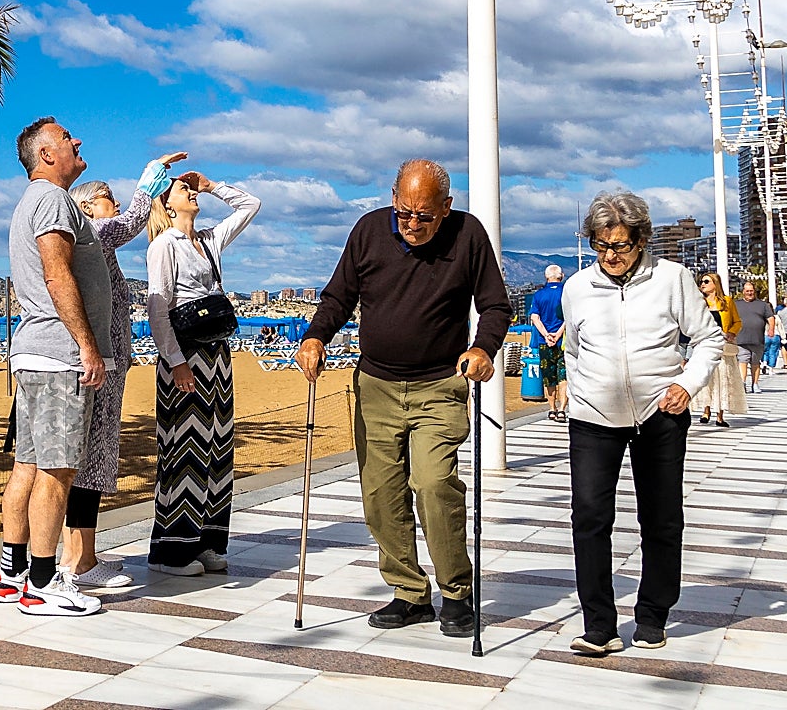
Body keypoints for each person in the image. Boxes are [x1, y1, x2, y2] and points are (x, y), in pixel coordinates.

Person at [295, 159, 511, 638]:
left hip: (439, 385)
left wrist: (483, 347)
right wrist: (315, 337)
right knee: (380, 495)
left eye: (425, 217)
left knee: (434, 485)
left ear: (447, 209)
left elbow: (495, 305)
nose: (412, 225)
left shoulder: (468, 234)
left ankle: (456, 591)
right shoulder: (370, 230)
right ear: (393, 198)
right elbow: (338, 296)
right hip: (375, 385)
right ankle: (409, 594)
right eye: (404, 213)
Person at [562, 191, 722, 656]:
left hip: (661, 415)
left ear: (642, 240)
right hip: (593, 418)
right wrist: (581, 389)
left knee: (662, 517)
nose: (610, 255)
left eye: (620, 245)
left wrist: (687, 385)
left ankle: (652, 615)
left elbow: (708, 339)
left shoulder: (672, 279)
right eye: (600, 245)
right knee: (589, 517)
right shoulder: (577, 288)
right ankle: (599, 626)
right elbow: (574, 349)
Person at [0, 117, 112, 617]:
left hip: (37, 352)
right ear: (46, 155)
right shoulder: (54, 200)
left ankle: (11, 572)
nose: (77, 141)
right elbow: (56, 271)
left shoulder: (32, 202)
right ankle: (42, 584)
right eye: (66, 138)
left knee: (29, 465)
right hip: (58, 353)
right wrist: (86, 343)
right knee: (58, 470)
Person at [59, 151, 187, 588]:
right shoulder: (92, 233)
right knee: (89, 460)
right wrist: (152, 173)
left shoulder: (93, 244)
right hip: (101, 363)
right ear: (87, 206)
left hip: (110, 361)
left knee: (92, 460)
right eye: (106, 197)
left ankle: (83, 555)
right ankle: (79, 561)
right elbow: (133, 220)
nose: (113, 202)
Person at [145, 171, 260, 575]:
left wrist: (213, 186)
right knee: (185, 449)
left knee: (217, 447)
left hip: (217, 354)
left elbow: (251, 205)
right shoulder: (164, 245)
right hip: (185, 355)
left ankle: (208, 540)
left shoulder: (208, 240)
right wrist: (175, 362)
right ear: (166, 203)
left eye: (192, 189)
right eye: (183, 189)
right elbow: (157, 311)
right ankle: (172, 551)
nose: (191, 192)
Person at [690, 272, 745, 427]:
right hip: (704, 344)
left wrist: (731, 333)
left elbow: (737, 321)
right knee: (706, 377)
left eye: (706, 281)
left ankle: (720, 414)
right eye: (701, 282)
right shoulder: (699, 303)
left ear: (715, 283)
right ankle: (705, 410)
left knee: (722, 378)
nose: (702, 284)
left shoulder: (727, 302)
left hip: (723, 345)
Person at [530, 264, 568, 422]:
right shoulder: (566, 294)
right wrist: (558, 333)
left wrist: (546, 335)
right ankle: (562, 410)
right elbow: (570, 317)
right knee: (563, 376)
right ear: (562, 276)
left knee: (549, 377)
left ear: (546, 277)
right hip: (564, 342)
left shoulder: (538, 295)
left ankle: (551, 409)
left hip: (544, 342)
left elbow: (534, 318)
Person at [734, 281, 775, 393]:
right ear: (743, 292)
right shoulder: (736, 304)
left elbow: (770, 318)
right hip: (741, 339)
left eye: (751, 291)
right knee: (743, 360)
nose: (749, 293)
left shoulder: (763, 305)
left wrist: (771, 329)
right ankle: (743, 383)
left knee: (755, 363)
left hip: (757, 339)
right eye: (747, 291)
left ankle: (755, 384)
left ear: (754, 291)